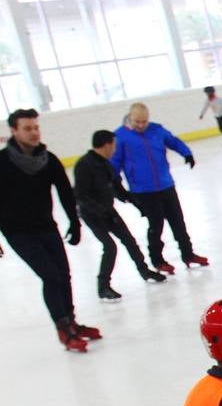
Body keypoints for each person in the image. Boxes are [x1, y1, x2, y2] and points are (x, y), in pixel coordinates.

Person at [0, 108, 100, 351]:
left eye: (36, 127)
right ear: (14, 131)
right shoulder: (2, 162)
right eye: (27, 128)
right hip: (17, 232)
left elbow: (65, 192)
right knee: (51, 276)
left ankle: (72, 322)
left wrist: (74, 223)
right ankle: (63, 328)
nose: (34, 133)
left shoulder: (48, 159)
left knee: (64, 275)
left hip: (46, 227)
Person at [112, 102, 208, 274]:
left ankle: (188, 254)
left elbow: (174, 141)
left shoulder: (156, 130)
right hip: (143, 190)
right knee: (156, 226)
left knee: (178, 222)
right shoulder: (120, 137)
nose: (141, 125)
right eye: (137, 122)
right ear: (130, 118)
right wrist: (115, 184)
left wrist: (186, 153)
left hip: (165, 184)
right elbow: (114, 163)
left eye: (144, 122)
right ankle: (158, 260)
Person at [73, 129, 164, 300]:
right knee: (109, 247)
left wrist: (136, 203)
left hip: (108, 211)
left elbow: (117, 188)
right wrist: (100, 211)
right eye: (113, 145)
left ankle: (144, 271)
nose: (115, 149)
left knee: (129, 240)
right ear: (107, 145)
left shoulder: (106, 164)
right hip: (92, 214)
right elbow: (80, 195)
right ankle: (103, 287)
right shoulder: (84, 165)